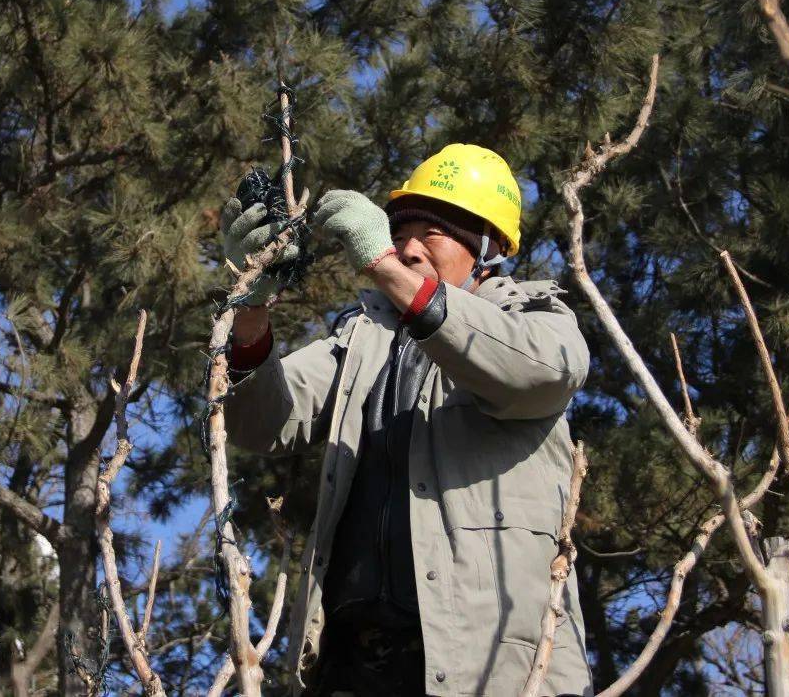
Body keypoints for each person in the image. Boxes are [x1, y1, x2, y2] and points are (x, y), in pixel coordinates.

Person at [220, 144, 593, 697]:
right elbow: (262, 421)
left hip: (493, 672)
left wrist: (382, 265)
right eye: (400, 232)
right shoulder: (362, 339)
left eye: (433, 233)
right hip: (350, 667)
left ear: (485, 246)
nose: (409, 248)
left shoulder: (536, 318)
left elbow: (540, 373)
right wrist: (251, 306)